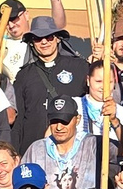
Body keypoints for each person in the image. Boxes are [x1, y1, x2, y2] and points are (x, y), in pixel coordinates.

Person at [9, 13, 89, 152]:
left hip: (72, 149)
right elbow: (18, 120)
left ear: (57, 39)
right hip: (34, 149)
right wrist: (15, 152)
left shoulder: (80, 67)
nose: (44, 42)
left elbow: (95, 100)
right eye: (38, 38)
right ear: (32, 42)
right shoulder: (24, 75)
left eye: (49, 37)